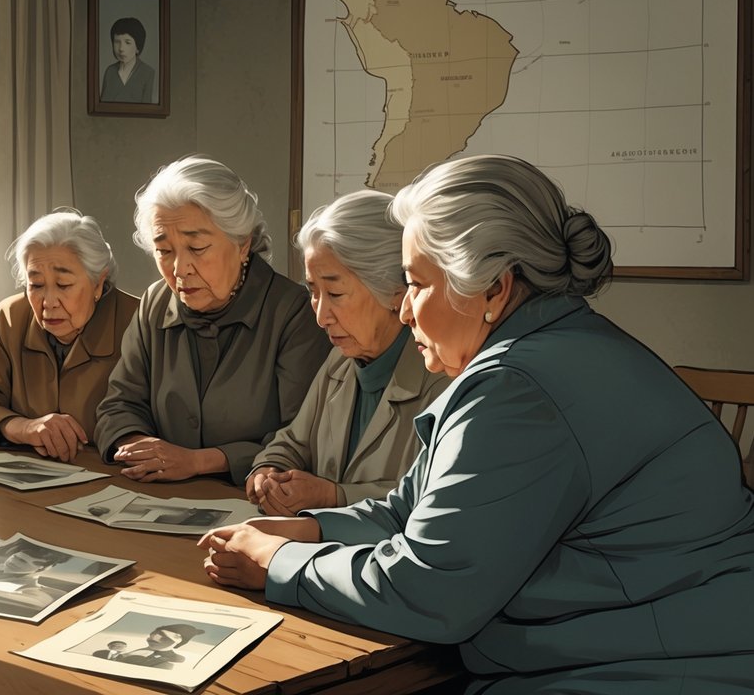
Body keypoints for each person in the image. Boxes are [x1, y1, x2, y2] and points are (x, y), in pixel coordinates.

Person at [200, 155, 754, 694]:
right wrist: (312, 529)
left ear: (494, 288)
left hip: (645, 673)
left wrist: (280, 563)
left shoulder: (517, 387)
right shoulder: (558, 347)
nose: (405, 311)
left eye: (416, 284)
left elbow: (429, 592)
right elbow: (411, 512)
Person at [95, 155, 330, 484]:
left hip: (252, 499)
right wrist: (140, 448)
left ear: (242, 243)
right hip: (155, 492)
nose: (179, 269)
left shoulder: (293, 313)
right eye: (164, 251)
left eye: (197, 247)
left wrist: (198, 461)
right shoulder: (155, 303)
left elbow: (303, 438)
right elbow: (118, 405)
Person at [247, 191, 449, 512]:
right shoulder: (341, 359)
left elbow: (433, 497)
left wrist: (334, 496)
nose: (320, 315)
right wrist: (268, 471)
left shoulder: (443, 374)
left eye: (336, 293)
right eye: (313, 291)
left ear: (395, 292)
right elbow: (293, 443)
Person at [0, 210, 140, 461]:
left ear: (99, 283)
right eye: (36, 285)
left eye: (63, 285)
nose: (49, 302)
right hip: (30, 472)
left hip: (115, 471)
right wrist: (24, 428)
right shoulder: (11, 317)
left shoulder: (139, 321)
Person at [100, 17, 156, 104]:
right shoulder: (110, 71)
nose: (121, 48)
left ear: (138, 47)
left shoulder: (148, 73)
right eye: (117, 42)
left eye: (127, 42)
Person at [117, 624, 204, 669]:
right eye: (153, 634)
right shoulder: (139, 650)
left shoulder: (173, 660)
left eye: (163, 635)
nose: (153, 637)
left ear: (178, 640)